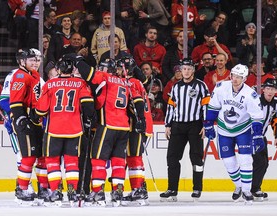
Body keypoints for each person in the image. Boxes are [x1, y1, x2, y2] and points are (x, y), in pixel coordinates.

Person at [67, 55, 146, 207]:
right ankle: (118, 192)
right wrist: (141, 119)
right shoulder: (126, 82)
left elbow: (88, 73)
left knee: (98, 159)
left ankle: (97, 192)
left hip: (107, 125)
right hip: (123, 127)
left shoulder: (106, 77)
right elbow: (138, 101)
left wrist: (78, 60)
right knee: (118, 161)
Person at [35, 55, 95, 205]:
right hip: (75, 129)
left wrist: (35, 115)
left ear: (58, 69)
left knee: (53, 161)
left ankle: (55, 192)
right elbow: (88, 108)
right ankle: (72, 192)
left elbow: (41, 111)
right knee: (72, 162)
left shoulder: (50, 84)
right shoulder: (81, 84)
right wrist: (90, 119)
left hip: (54, 129)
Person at [204, 64, 265, 203]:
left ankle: (246, 190)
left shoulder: (251, 94)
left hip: (243, 129)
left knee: (245, 160)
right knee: (229, 162)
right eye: (233, 76)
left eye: (239, 77)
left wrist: (257, 134)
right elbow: (213, 107)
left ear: (244, 78)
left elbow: (256, 117)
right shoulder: (221, 88)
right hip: (224, 129)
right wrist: (208, 125)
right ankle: (238, 186)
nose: (235, 79)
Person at [160, 58, 210, 202]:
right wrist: (168, 125)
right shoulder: (176, 87)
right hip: (177, 125)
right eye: (184, 69)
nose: (186, 71)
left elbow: (206, 106)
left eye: (189, 69)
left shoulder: (201, 86)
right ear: (180, 71)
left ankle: (197, 188)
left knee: (196, 158)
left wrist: (206, 125)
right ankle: (172, 189)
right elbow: (171, 107)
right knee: (172, 158)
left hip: (195, 125)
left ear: (193, 70)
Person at [9, 49, 48, 204]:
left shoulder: (34, 75)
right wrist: (20, 119)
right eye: (31, 60)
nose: (35, 63)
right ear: (22, 61)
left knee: (41, 157)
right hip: (25, 121)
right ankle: (22, 189)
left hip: (36, 121)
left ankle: (43, 188)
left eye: (37, 60)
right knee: (29, 156)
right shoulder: (20, 75)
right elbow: (15, 102)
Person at [115, 57, 153, 206]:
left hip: (136, 125)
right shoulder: (136, 82)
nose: (116, 71)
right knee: (133, 157)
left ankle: (138, 190)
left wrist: (139, 120)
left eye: (119, 68)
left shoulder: (129, 82)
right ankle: (139, 189)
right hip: (139, 124)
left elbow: (137, 102)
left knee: (134, 157)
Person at [251, 78, 277, 201]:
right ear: (263, 89)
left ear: (276, 91)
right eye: (268, 88)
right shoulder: (255, 101)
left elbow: (276, 121)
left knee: (264, 163)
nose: (270, 91)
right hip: (249, 137)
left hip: (261, 137)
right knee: (260, 163)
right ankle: (253, 189)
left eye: (273, 89)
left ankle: (254, 188)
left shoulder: (276, 103)